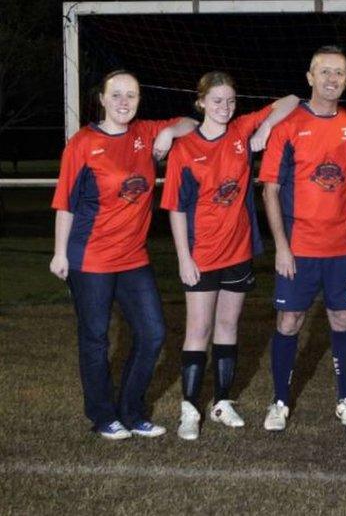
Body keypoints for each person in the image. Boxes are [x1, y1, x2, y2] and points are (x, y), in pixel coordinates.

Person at [50, 70, 195, 440]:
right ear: (101, 98)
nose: (124, 102)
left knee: (152, 334)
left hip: (133, 258)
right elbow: (65, 203)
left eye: (131, 95)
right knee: (95, 338)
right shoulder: (82, 143)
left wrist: (167, 132)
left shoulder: (144, 132)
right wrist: (59, 253)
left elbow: (191, 122)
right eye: (116, 95)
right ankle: (103, 415)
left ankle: (132, 411)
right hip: (90, 258)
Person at [161, 71, 299, 440]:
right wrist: (183, 258)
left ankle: (221, 402)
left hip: (238, 253)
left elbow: (291, 99)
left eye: (231, 100)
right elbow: (175, 208)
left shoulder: (240, 131)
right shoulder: (185, 147)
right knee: (198, 330)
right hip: (201, 255)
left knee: (227, 328)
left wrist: (266, 127)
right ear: (201, 102)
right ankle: (189, 407)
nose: (225, 107)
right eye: (217, 100)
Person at [257, 46, 346, 431]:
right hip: (299, 248)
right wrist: (281, 247)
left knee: (342, 319)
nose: (331, 79)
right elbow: (270, 190)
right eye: (324, 72)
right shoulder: (287, 127)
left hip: (342, 248)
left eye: (338, 73)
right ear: (310, 77)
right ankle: (278, 401)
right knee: (290, 320)